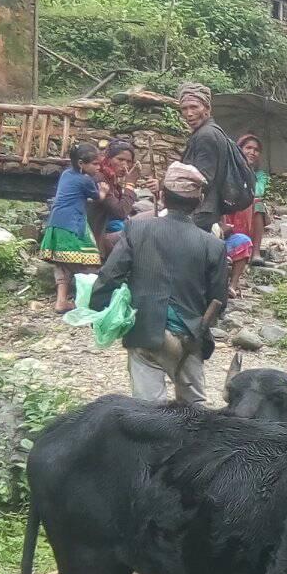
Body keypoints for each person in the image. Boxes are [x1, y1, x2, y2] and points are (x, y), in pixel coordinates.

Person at [91, 162, 228, 405]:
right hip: (189, 336)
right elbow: (219, 300)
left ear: (163, 196)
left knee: (147, 411)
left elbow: (110, 275)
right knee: (194, 412)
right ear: (199, 201)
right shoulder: (213, 245)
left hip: (145, 332)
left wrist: (97, 307)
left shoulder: (136, 228)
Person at [38, 141, 107, 313]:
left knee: (62, 263)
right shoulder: (85, 180)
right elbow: (98, 197)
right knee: (85, 263)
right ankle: (88, 300)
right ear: (81, 164)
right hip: (72, 225)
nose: (99, 167)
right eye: (95, 164)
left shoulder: (67, 174)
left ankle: (61, 301)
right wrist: (104, 191)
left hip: (55, 223)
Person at [177, 82, 235, 231]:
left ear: (207, 108)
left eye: (194, 107)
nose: (189, 113)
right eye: (184, 109)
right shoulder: (211, 131)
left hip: (198, 212)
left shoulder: (206, 135)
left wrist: (170, 187)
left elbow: (202, 179)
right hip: (204, 210)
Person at [222, 132, 270, 298]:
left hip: (246, 219)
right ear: (239, 149)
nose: (252, 152)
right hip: (228, 216)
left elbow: (258, 191)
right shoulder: (228, 169)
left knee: (257, 203)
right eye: (248, 147)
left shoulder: (259, 175)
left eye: (256, 150)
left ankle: (255, 252)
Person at [90, 138, 137, 259]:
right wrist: (130, 185)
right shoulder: (99, 178)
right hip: (97, 238)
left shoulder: (112, 179)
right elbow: (120, 212)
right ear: (108, 159)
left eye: (129, 161)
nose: (125, 165)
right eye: (120, 159)